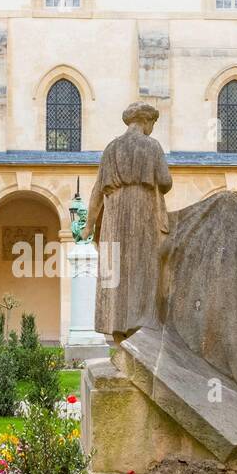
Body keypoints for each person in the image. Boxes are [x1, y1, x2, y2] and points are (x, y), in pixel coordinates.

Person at [83, 102, 172, 341]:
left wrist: (88, 226)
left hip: (114, 216)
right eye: (152, 123)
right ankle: (141, 328)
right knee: (143, 267)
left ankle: (118, 330)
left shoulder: (111, 148)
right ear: (146, 121)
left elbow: (96, 191)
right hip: (143, 214)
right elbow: (165, 182)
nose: (152, 128)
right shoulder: (152, 146)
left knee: (116, 270)